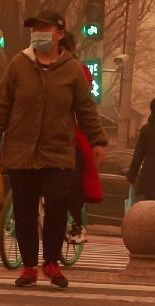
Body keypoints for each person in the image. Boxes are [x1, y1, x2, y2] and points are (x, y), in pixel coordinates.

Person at [0, 8, 108, 290]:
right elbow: (1, 103)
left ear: (59, 34)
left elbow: (86, 109)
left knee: (57, 204)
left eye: (44, 29)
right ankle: (29, 267)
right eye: (34, 30)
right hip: (21, 151)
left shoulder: (72, 69)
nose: (37, 34)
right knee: (25, 211)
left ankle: (51, 263)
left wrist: (97, 141)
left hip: (58, 153)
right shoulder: (19, 64)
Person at [57, 30, 102, 244]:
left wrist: (97, 140)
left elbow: (86, 108)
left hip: (72, 134)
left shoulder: (79, 71)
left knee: (73, 179)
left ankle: (76, 221)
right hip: (44, 132)